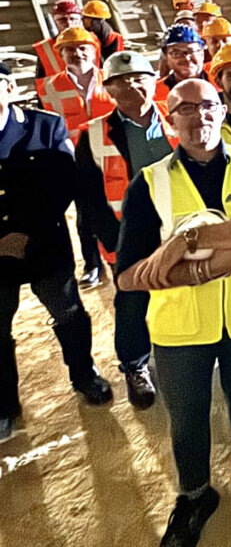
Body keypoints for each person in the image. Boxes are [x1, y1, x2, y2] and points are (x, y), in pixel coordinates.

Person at [115, 79, 231, 546]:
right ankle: (195, 494)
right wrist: (192, 273)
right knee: (188, 413)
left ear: (222, 110)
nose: (200, 117)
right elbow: (128, 274)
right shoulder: (150, 182)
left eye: (209, 106)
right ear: (170, 118)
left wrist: (182, 242)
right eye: (187, 109)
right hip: (181, 326)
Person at [1, 64, 113, 442]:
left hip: (43, 243)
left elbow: (63, 183)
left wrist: (25, 233)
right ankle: (4, 405)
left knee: (68, 314)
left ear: (10, 86)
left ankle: (85, 375)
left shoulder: (44, 126)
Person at [76, 51, 177, 409]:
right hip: (128, 234)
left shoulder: (179, 117)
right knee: (132, 300)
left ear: (155, 80)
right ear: (109, 89)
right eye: (123, 80)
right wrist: (113, 241)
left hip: (181, 227)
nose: (134, 84)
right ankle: (135, 366)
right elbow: (87, 196)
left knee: (188, 289)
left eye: (141, 77)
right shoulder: (93, 134)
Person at [40, 26, 118, 286]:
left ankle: (119, 255)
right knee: (85, 215)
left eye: (83, 48)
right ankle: (92, 264)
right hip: (75, 160)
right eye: (69, 49)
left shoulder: (111, 77)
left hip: (109, 155)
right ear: (60, 54)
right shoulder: (49, 86)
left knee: (116, 208)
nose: (77, 53)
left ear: (94, 51)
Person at [34, 0, 86, 94]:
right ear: (55, 21)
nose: (68, 23)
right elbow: (41, 81)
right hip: (63, 99)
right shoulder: (45, 48)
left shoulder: (94, 42)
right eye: (62, 19)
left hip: (94, 98)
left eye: (72, 18)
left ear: (80, 19)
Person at [157, 24, 212, 98]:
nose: (186, 58)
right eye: (176, 53)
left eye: (192, 51)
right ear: (166, 57)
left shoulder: (221, 84)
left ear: (202, 53)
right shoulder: (156, 93)